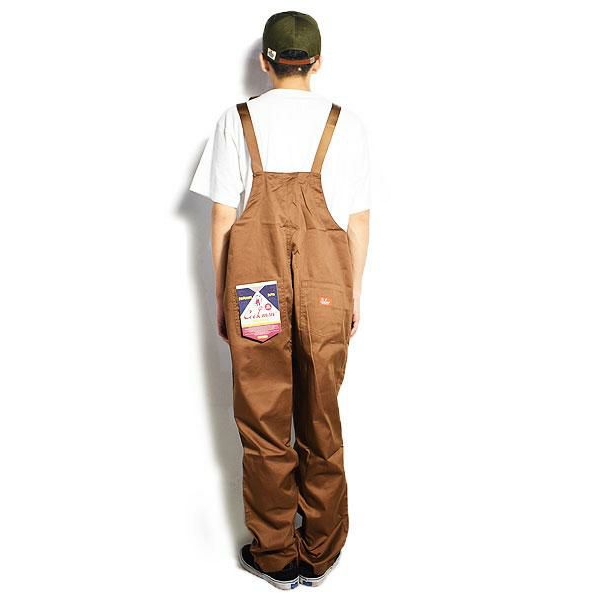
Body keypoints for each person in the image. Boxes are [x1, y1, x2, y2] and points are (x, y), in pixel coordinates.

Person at [190, 10, 371, 590]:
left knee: (265, 421)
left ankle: (274, 555)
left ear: (265, 62)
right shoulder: (345, 124)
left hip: (254, 287)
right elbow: (357, 221)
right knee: (321, 417)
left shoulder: (236, 121)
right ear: (316, 62)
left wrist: (223, 297)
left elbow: (222, 220)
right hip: (328, 288)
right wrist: (352, 295)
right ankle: (320, 551)